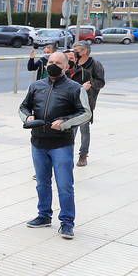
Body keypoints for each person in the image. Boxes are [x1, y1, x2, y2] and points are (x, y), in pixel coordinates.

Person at [20, 51, 91, 239]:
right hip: (38, 142)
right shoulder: (36, 86)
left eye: (58, 62)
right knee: (42, 183)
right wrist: (27, 117)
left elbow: (85, 113)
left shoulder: (75, 88)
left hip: (61, 145)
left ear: (67, 66)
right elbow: (23, 107)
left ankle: (67, 222)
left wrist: (64, 122)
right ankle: (44, 215)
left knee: (65, 185)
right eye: (51, 61)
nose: (53, 64)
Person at [70, 42, 106, 167]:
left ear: (85, 51)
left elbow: (101, 82)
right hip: (71, 100)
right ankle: (67, 153)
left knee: (84, 129)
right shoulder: (72, 62)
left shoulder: (95, 64)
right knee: (70, 128)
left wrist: (88, 85)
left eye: (77, 49)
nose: (74, 51)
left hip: (86, 101)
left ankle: (83, 155)